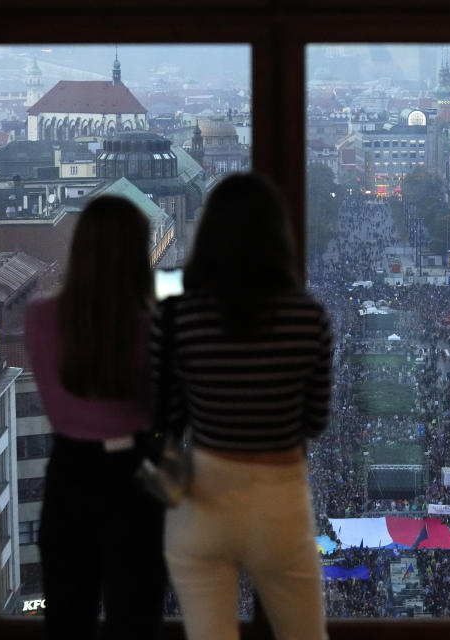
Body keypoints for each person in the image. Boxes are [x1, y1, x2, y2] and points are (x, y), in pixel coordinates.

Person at [156, 172, 331, 640]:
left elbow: (164, 414)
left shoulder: (180, 312)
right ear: (279, 236)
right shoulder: (306, 315)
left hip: (203, 499)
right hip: (280, 498)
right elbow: (314, 420)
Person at [25, 195, 165, 639]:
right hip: (135, 473)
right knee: (136, 617)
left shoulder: (39, 317)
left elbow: (52, 395)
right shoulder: (150, 324)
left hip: (68, 471)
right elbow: (159, 407)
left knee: (67, 617)